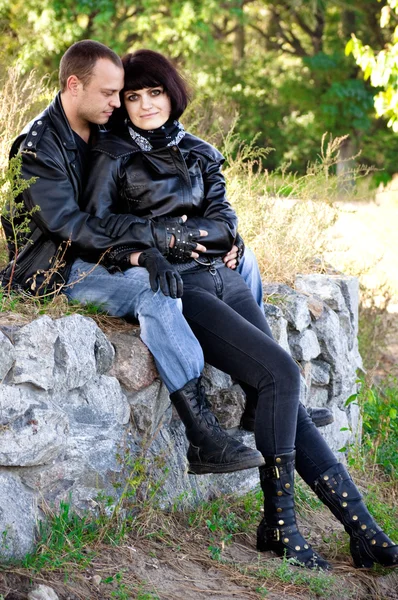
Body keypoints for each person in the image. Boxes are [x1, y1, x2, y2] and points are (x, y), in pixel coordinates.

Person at [80, 48, 397, 571]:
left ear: (171, 93)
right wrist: (171, 241)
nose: (144, 105)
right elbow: (100, 229)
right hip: (183, 289)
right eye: (132, 97)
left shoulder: (200, 151)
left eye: (154, 92)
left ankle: (362, 530)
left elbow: (225, 219)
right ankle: (283, 526)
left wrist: (190, 233)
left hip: (225, 279)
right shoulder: (111, 154)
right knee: (280, 373)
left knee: (283, 395)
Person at [0, 39, 266, 477]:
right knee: (156, 294)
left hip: (110, 252)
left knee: (242, 259)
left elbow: (137, 201)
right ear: (73, 85)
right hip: (60, 266)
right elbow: (71, 227)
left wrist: (213, 239)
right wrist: (145, 250)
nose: (117, 103)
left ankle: (262, 394)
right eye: (110, 94)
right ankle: (201, 434)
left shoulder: (103, 128)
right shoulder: (39, 146)